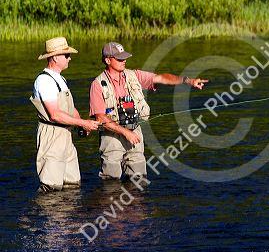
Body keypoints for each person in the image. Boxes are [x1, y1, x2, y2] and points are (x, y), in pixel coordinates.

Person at [89, 42, 208, 180]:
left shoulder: (135, 75)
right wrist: (125, 132)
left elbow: (162, 78)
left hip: (135, 132)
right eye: (119, 58)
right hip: (112, 137)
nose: (124, 60)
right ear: (108, 60)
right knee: (111, 181)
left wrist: (189, 81)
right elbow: (101, 118)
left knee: (138, 179)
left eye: (125, 57)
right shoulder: (97, 84)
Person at [30, 37, 100, 192]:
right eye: (66, 55)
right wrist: (83, 124)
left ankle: (70, 216)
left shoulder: (60, 79)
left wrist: (83, 122)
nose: (70, 58)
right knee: (52, 188)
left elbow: (70, 108)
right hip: (52, 136)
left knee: (72, 185)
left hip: (66, 135)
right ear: (55, 57)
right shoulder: (44, 81)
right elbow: (55, 114)